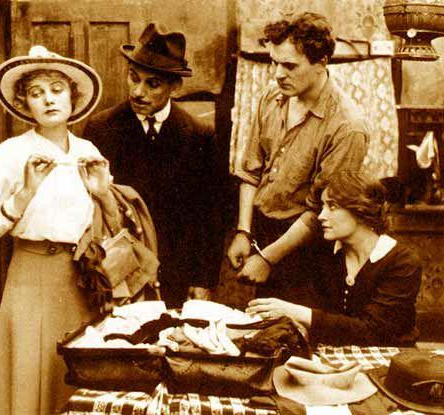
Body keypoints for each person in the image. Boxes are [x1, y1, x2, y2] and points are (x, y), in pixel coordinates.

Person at [0, 46, 154, 414]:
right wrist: (23, 196)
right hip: (29, 280)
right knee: (28, 381)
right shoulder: (10, 153)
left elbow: (114, 233)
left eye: (57, 89)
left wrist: (103, 194)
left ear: (73, 96)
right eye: (36, 93)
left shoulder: (87, 151)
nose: (48, 100)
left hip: (81, 284)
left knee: (74, 385)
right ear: (24, 103)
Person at [227, 12, 369, 307]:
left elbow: (321, 210)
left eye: (290, 65)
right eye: (274, 62)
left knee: (298, 328)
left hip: (310, 248)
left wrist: (268, 258)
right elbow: (251, 171)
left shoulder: (347, 127)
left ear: (321, 63)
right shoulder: (271, 96)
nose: (278, 74)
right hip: (263, 232)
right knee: (264, 323)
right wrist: (244, 231)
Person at [83, 23, 224, 308]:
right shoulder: (101, 128)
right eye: (133, 78)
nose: (138, 92)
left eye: (153, 84)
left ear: (175, 86)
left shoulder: (198, 134)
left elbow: (211, 215)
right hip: (118, 270)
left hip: (176, 274)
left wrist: (203, 279)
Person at [246, 172, 422, 346]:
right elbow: (318, 320)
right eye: (323, 206)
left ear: (361, 210)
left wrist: (295, 312)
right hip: (334, 355)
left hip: (389, 356)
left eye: (332, 206)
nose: (321, 216)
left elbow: (373, 331)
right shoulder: (325, 254)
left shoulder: (402, 262)